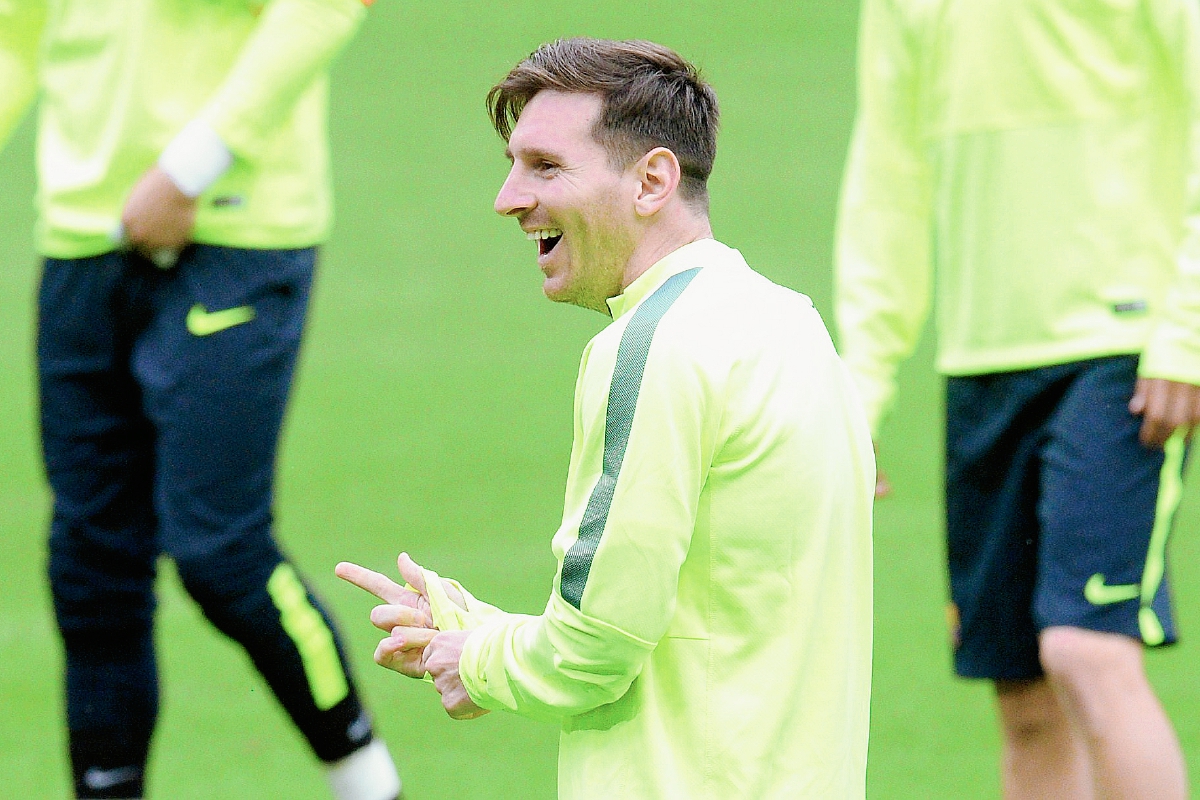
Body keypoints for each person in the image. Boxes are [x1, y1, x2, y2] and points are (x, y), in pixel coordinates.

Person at [336, 37, 875, 799]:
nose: (509, 198)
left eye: (546, 167)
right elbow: (714, 615)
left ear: (652, 180)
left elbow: (593, 653)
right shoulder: (791, 325)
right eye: (512, 165)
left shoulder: (652, 346)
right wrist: (475, 628)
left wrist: (469, 659)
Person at [0, 1, 403, 798]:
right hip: (81, 240)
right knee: (90, 565)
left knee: (220, 553)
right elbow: (15, 39)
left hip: (231, 232)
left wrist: (190, 167)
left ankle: (370, 784)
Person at [835, 1, 1200, 798]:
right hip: (981, 364)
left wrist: (1189, 330)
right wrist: (859, 390)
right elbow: (886, 179)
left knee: (1086, 649)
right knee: (1024, 698)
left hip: (1122, 349)